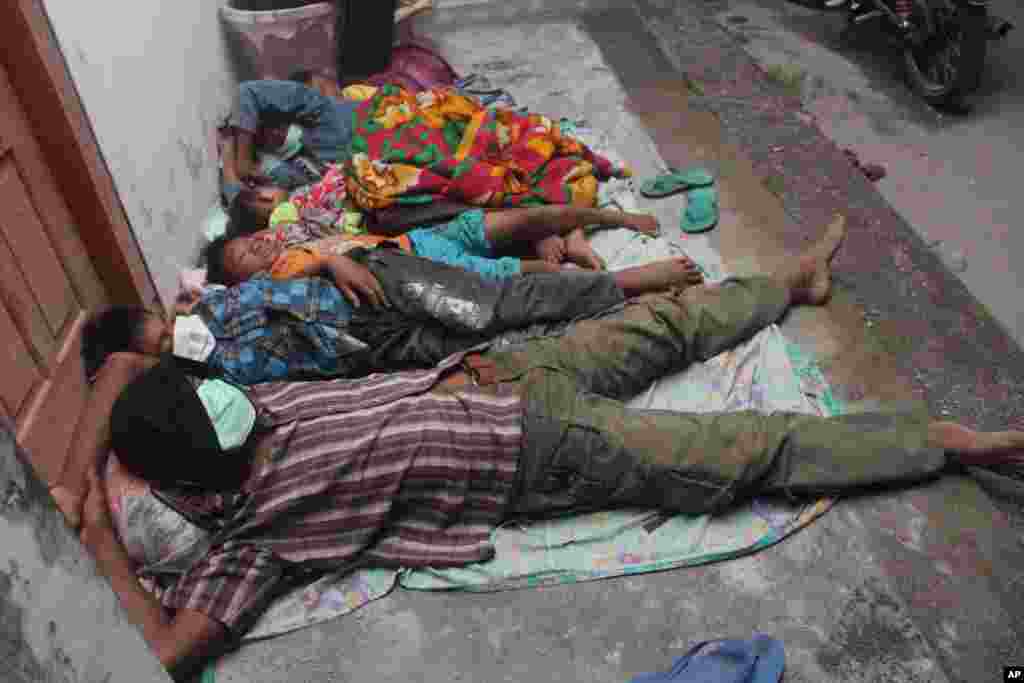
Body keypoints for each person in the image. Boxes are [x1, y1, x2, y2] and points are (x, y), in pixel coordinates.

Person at [56, 215, 1024, 679]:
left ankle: (786, 286)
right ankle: (935, 442)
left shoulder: (254, 403)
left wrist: (81, 481)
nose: (253, 416)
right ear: (195, 479)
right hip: (543, 450)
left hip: (501, 373)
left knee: (670, 326)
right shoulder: (255, 536)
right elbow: (171, 649)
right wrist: (98, 530)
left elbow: (112, 373)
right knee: (740, 450)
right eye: (235, 425)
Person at [81, 246, 704, 385]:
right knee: (507, 352)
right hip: (373, 351)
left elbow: (279, 281)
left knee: (489, 306)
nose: (177, 339)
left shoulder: (212, 301)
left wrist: (331, 261)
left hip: (373, 290)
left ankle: (623, 281)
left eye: (166, 328)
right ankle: (615, 306)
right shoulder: (203, 383)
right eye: (164, 348)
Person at [220, 135, 653, 278]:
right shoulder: (284, 277)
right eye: (241, 259)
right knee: (492, 263)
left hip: (387, 213)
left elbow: (336, 189)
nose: (251, 249)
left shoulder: (289, 220)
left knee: (465, 193)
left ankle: (604, 220)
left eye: (244, 243)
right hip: (402, 248)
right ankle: (567, 251)